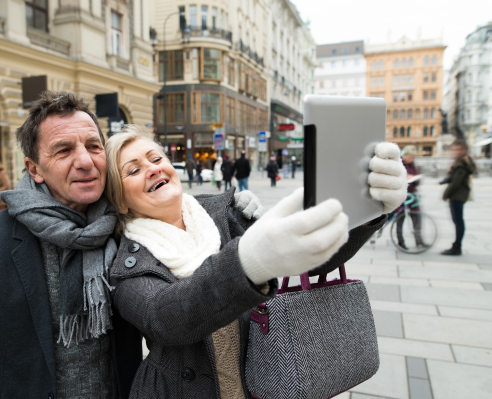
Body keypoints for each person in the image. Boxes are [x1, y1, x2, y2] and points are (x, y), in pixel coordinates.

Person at [0, 92, 263, 399]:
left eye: (93, 146)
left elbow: (172, 210)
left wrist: (230, 206)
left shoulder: (127, 228)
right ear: (35, 169)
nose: (86, 161)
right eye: (63, 150)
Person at [103, 126, 407, 399]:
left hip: (261, 385)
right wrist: (247, 262)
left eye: (156, 159)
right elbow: (167, 319)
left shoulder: (228, 211)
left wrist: (369, 208)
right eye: (133, 170)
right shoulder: (127, 265)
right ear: (120, 200)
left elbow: (309, 261)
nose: (152, 169)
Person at [441, 139, 476, 255]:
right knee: (458, 221)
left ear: (463, 150)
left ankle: (457, 247)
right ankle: (457, 245)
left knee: (458, 221)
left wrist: (445, 194)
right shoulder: (461, 162)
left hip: (457, 195)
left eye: (457, 149)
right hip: (459, 194)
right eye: (453, 149)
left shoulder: (461, 164)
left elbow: (456, 182)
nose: (454, 152)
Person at [395, 146, 425, 250]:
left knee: (417, 218)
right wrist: (406, 178)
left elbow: (418, 181)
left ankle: (419, 241)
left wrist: (415, 179)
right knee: (400, 219)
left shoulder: (413, 165)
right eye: (410, 157)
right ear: (405, 155)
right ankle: (400, 241)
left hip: (412, 195)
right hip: (403, 196)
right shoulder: (399, 164)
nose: (412, 159)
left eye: (413, 157)